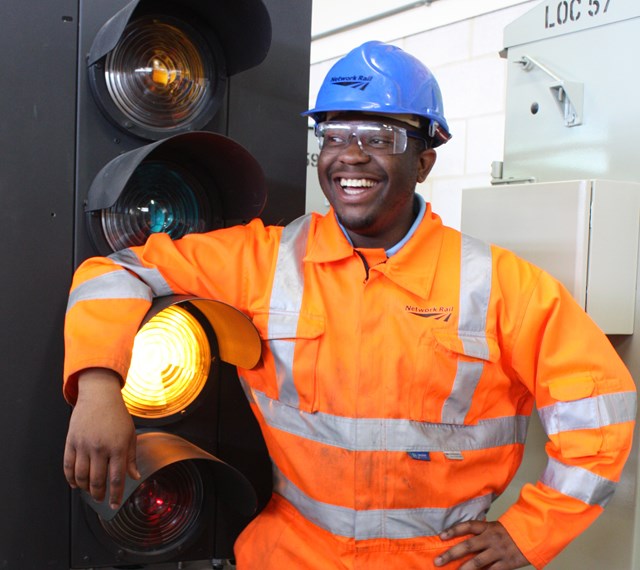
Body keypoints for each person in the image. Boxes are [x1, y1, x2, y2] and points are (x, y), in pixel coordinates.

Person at [63, 41, 636, 569]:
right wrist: (98, 386)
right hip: (293, 554)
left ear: (425, 160)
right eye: (335, 135)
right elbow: (117, 272)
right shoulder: (263, 262)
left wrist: (529, 533)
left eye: (378, 138)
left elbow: (599, 414)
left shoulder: (502, 286)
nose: (350, 157)